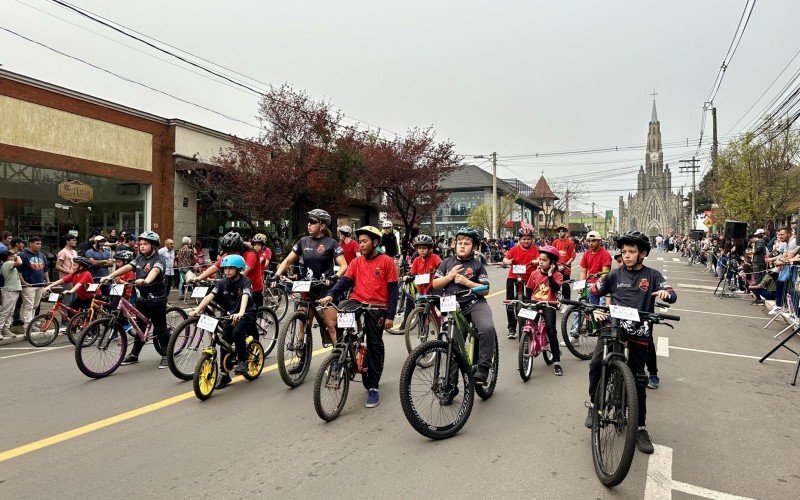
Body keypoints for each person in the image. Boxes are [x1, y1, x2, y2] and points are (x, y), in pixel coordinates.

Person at [585, 231, 677, 455]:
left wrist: (666, 294)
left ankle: (640, 427)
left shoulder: (652, 275)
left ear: (642, 253)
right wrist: (595, 309)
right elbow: (594, 291)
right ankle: (593, 404)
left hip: (639, 331)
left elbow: (672, 294)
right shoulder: (614, 276)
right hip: (613, 327)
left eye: (632, 252)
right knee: (597, 364)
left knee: (638, 378)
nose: (626, 256)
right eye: (624, 252)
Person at [320, 226, 399, 408]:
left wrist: (390, 315)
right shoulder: (356, 262)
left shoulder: (387, 262)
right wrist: (330, 294)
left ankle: (373, 388)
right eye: (360, 241)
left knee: (374, 344)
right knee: (339, 311)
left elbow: (394, 290)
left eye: (365, 241)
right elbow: (345, 281)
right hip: (356, 301)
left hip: (377, 306)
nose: (361, 245)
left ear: (375, 243)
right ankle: (342, 354)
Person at [274, 209, 347, 375]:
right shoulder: (303, 241)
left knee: (330, 326)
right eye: (309, 221)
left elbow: (344, 265)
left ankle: (337, 360)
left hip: (325, 287)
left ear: (322, 225)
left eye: (313, 222)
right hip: (307, 287)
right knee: (302, 323)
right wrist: (277, 275)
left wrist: (335, 277)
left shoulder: (331, 243)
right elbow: (287, 260)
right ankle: (301, 359)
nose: (309, 225)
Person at [432, 227, 495, 388]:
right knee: (454, 345)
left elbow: (485, 289)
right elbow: (435, 284)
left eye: (467, 243)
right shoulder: (446, 263)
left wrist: (467, 283)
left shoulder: (477, 265)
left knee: (487, 328)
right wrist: (451, 276)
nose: (462, 246)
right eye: (459, 242)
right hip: (453, 307)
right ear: (454, 244)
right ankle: (451, 386)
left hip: (475, 304)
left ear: (473, 247)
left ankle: (483, 368)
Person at [101, 231, 169, 368]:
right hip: (142, 299)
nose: (142, 246)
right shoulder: (139, 258)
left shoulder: (159, 259)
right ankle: (134, 355)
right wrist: (110, 276)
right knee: (140, 327)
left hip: (157, 300)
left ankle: (166, 355)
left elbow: (155, 271)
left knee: (160, 328)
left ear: (154, 245)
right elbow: (127, 267)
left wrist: (146, 280)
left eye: (145, 244)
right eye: (140, 244)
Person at [189, 254, 256, 388]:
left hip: (246, 313)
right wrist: (197, 310)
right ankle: (224, 375)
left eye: (231, 268)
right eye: (225, 268)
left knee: (237, 333)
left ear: (238, 269)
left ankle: (242, 361)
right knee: (224, 339)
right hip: (230, 314)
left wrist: (241, 312)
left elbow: (245, 296)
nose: (227, 271)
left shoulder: (245, 281)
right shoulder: (222, 282)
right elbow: (210, 297)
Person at [191, 232, 265, 308]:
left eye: (231, 252)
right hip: (236, 288)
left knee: (251, 315)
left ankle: (263, 319)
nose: (229, 254)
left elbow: (244, 271)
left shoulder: (250, 254)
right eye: (227, 252)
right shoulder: (230, 252)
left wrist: (224, 282)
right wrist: (197, 278)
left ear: (238, 248)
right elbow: (215, 267)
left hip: (253, 288)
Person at [524, 245, 564, 375]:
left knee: (551, 332)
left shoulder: (557, 275)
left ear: (552, 262)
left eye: (544, 260)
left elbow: (555, 288)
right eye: (540, 259)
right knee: (527, 327)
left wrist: (550, 275)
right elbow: (529, 290)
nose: (541, 262)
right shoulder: (534, 274)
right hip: (535, 303)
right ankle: (524, 356)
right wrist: (526, 303)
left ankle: (557, 362)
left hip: (549, 304)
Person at [502, 227, 539, 339]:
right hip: (514, 275)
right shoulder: (514, 249)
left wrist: (537, 261)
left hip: (530, 277)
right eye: (524, 239)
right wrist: (507, 261)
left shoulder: (536, 250)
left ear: (532, 239)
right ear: (520, 239)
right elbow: (505, 259)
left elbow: (541, 258)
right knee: (509, 301)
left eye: (528, 239)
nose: (526, 241)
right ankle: (512, 327)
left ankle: (531, 324)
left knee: (531, 302)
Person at [18, 236, 49, 325]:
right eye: (37, 244)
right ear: (30, 244)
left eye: (40, 244)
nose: (40, 246)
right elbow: (18, 270)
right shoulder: (22, 255)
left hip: (40, 284)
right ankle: (27, 326)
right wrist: (23, 282)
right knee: (28, 306)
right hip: (29, 285)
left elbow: (45, 270)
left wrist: (47, 281)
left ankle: (31, 324)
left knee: (35, 306)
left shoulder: (42, 255)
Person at [579, 230, 612, 305]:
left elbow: (605, 274)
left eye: (594, 241)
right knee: (578, 306)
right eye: (588, 241)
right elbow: (583, 272)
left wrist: (595, 286)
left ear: (599, 241)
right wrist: (581, 285)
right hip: (589, 282)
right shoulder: (586, 253)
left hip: (602, 284)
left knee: (601, 306)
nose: (590, 243)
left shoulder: (605, 254)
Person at [0, 250, 23, 339]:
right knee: (5, 311)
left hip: (13, 290)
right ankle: (1, 329)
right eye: (12, 255)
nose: (14, 257)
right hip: (10, 291)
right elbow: (20, 262)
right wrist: (18, 256)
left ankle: (5, 329)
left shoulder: (7, 264)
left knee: (10, 311)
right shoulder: (8, 263)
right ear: (8, 257)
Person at [552, 225, 576, 301]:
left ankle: (567, 302)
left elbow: (572, 256)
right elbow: (552, 255)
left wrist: (565, 265)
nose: (561, 233)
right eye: (559, 231)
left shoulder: (570, 242)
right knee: (554, 285)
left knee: (565, 285)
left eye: (563, 231)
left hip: (565, 268)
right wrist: (555, 265)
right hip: (556, 267)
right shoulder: (555, 242)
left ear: (565, 232)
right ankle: (554, 301)